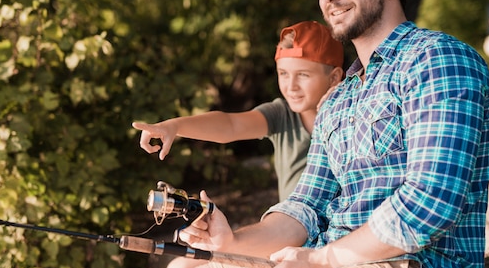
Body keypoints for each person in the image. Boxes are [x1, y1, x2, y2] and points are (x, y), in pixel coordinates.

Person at [153, 0, 489, 268]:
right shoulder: (339, 98)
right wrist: (232, 240)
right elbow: (305, 206)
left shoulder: (437, 60)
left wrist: (325, 259)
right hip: (330, 264)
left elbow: (430, 203)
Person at [133, 20, 345, 202]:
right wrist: (175, 126)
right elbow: (230, 125)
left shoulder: (352, 117)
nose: (291, 86)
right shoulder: (281, 114)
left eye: (303, 75)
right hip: (291, 234)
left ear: (334, 78)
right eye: (283, 73)